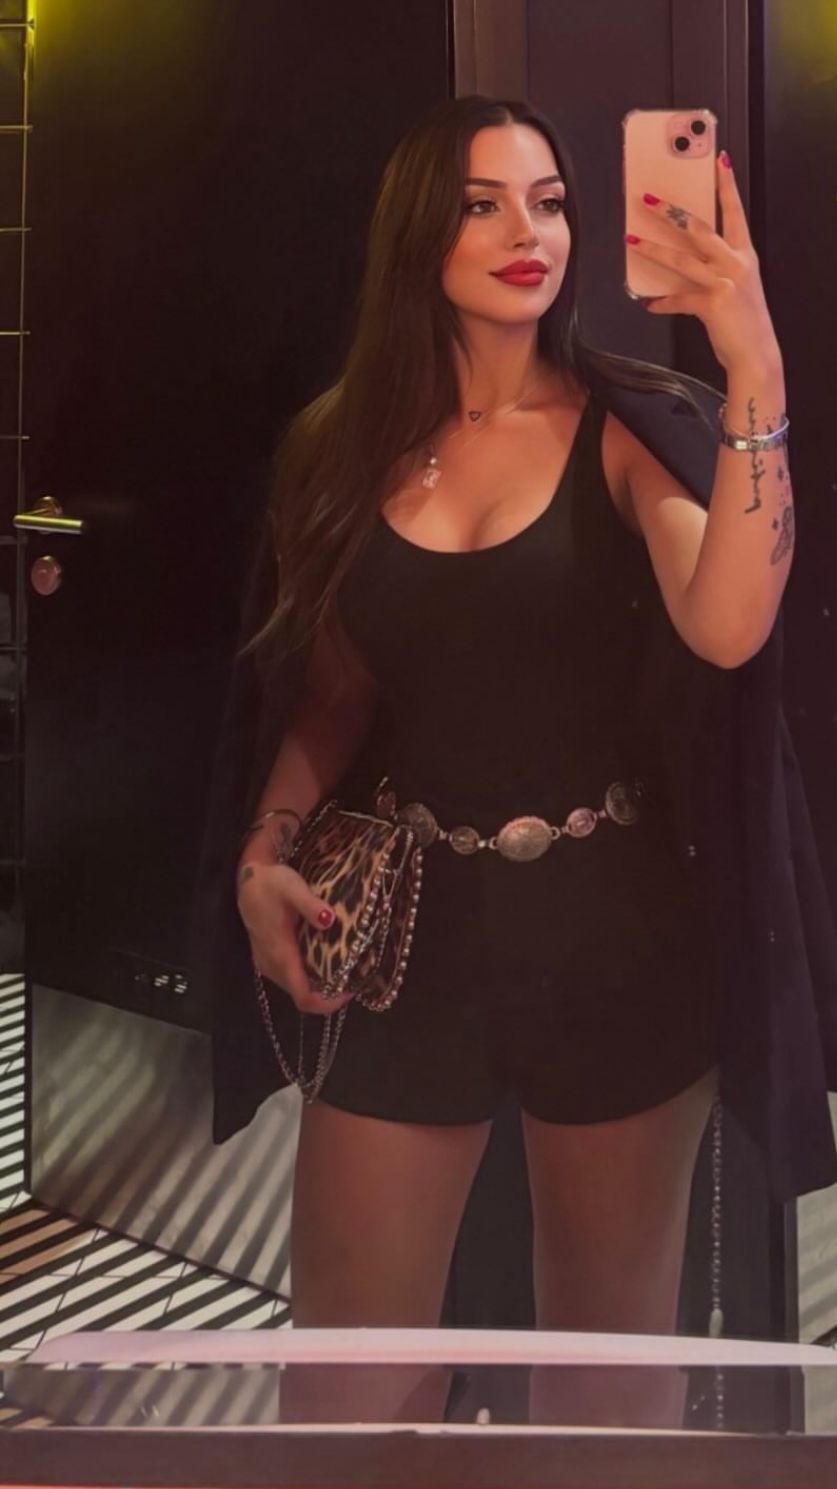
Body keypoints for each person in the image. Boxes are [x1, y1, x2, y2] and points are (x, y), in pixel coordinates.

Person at [191, 95, 837, 1426]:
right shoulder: (339, 445)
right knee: (348, 1382)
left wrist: (754, 368)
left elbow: (728, 623)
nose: (525, 231)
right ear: (416, 231)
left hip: (614, 932)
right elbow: (329, 694)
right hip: (403, 938)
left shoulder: (631, 424)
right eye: (482, 204)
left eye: (547, 202)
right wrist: (263, 852)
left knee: (605, 1383)